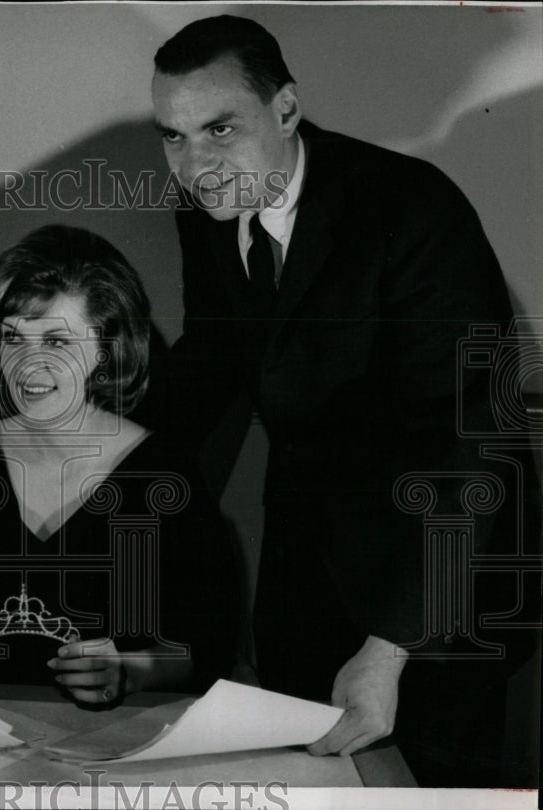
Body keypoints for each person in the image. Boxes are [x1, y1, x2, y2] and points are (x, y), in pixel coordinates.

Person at [149, 15, 541, 787]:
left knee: (422, 790)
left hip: (443, 584)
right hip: (310, 562)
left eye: (220, 127)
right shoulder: (209, 203)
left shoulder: (410, 207)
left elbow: (467, 438)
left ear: (286, 110)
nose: (195, 164)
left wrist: (392, 647)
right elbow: (211, 361)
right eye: (173, 136)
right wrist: (92, 477)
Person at [0, 225, 238, 703]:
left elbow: (208, 647)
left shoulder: (165, 472)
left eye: (57, 342)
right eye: (13, 339)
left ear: (106, 351)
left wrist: (132, 671)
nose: (28, 365)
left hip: (111, 745)